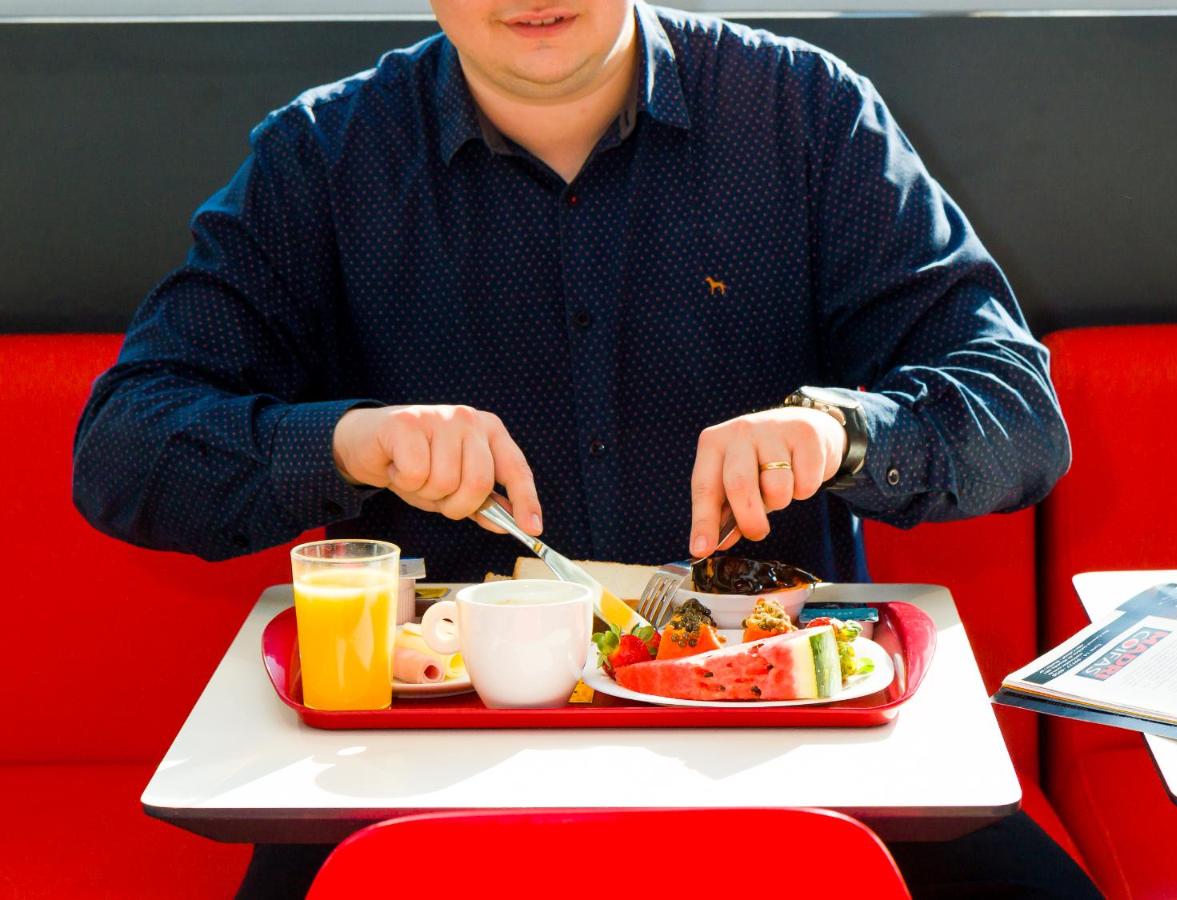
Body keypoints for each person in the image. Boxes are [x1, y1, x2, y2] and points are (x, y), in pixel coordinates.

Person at [73, 2, 1091, 897]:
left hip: (785, 741)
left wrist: (842, 430)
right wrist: (351, 442)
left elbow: (1018, 412)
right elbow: (124, 448)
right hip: (421, 758)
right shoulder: (323, 155)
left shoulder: (805, 114)